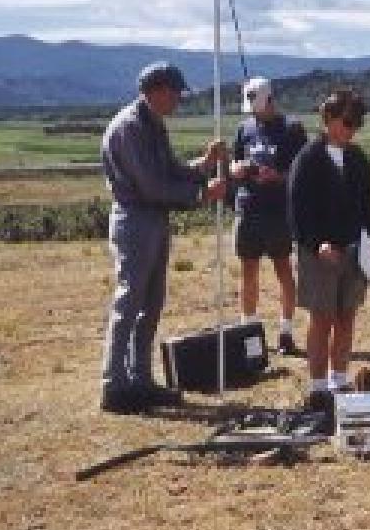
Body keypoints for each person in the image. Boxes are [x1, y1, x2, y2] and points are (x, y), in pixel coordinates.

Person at [99, 61, 228, 414]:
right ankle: (115, 384)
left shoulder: (152, 124)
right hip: (136, 219)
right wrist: (202, 196)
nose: (177, 101)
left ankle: (140, 380)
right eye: (174, 93)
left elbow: (171, 171)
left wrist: (205, 163)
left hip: (153, 220)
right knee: (129, 303)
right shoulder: (129, 128)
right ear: (156, 91)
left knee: (151, 303)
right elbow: (153, 186)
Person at [287, 88, 370, 413]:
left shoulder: (357, 158)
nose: (352, 129)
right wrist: (317, 244)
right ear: (327, 119)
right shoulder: (307, 159)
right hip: (319, 254)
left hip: (354, 249)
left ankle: (339, 380)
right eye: (347, 121)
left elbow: (367, 205)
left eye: (357, 123)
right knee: (322, 318)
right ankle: (317, 389)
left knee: (347, 316)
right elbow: (298, 212)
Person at [229, 76, 308, 355]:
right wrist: (237, 170)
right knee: (248, 271)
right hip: (248, 208)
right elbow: (235, 162)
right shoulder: (244, 129)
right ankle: (247, 332)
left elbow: (302, 172)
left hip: (278, 212)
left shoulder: (292, 129)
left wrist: (278, 176)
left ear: (270, 100)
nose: (254, 113)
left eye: (258, 106)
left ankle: (285, 332)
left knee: (283, 269)